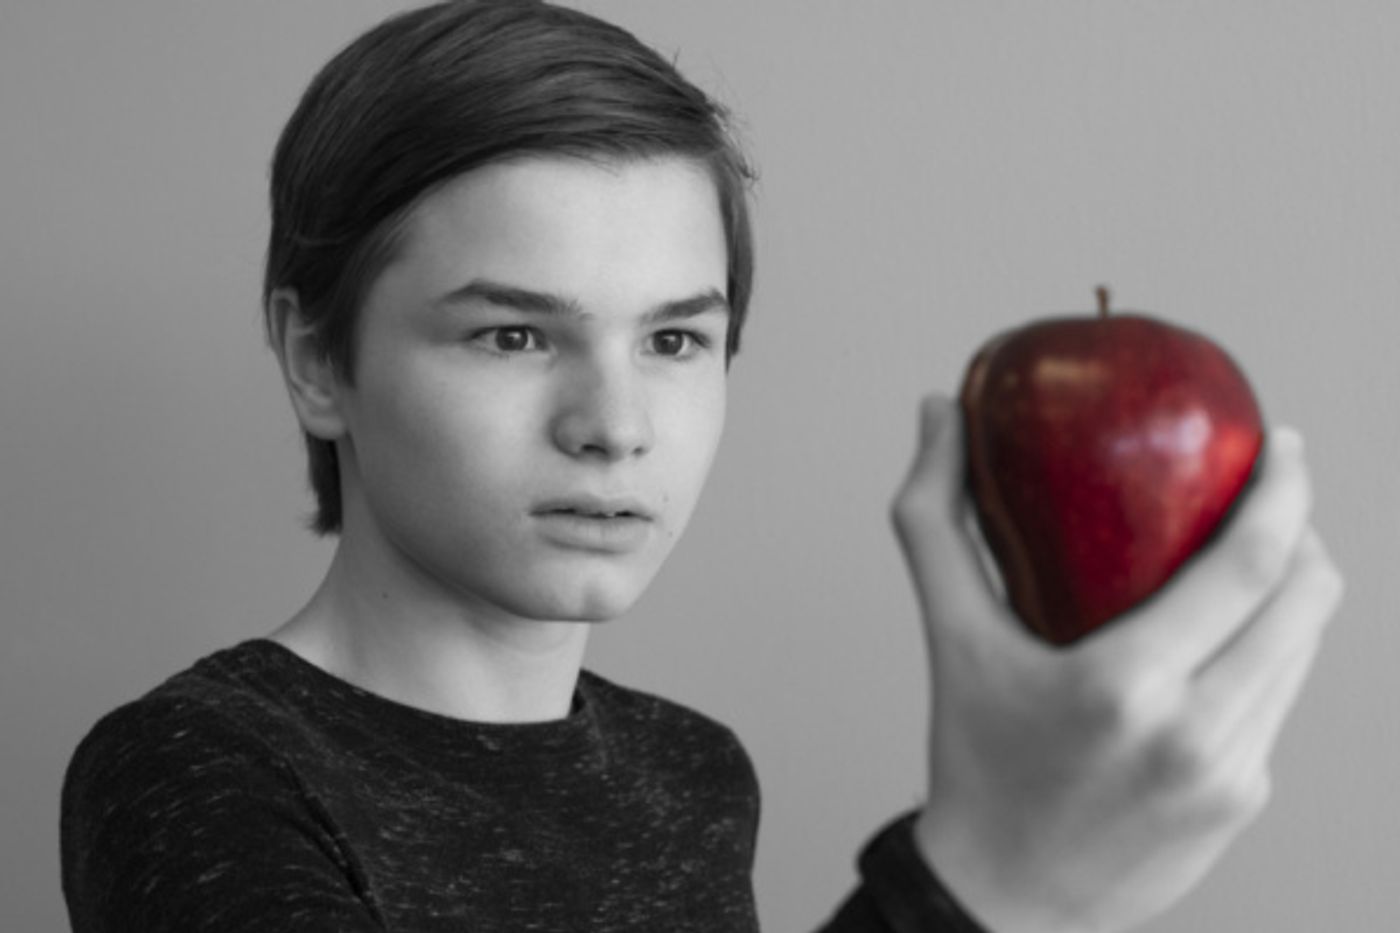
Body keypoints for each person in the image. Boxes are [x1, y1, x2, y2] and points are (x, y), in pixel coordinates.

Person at [59, 2, 1345, 931]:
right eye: (513, 333)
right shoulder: (190, 770)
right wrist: (984, 889)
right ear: (315, 359)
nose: (614, 424)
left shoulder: (690, 772)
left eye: (675, 337)